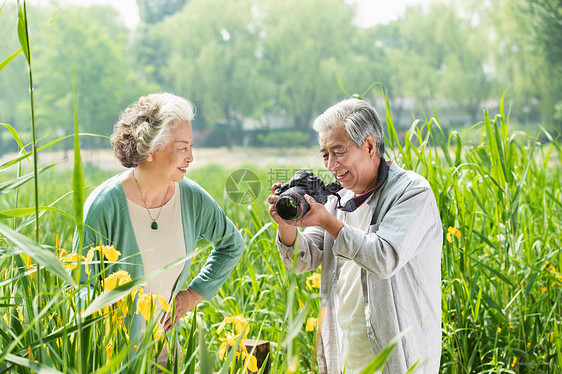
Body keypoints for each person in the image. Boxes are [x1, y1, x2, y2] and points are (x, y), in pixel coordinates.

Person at [268, 98, 442, 373]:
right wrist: (286, 224)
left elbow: (383, 258)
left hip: (397, 354)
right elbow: (303, 259)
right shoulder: (338, 197)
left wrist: (327, 221)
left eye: (338, 151)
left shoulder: (411, 192)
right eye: (325, 154)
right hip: (345, 352)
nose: (330, 164)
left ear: (370, 146)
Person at [72, 92, 244, 358]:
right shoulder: (104, 206)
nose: (191, 158)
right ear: (151, 149)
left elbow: (232, 245)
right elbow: (81, 286)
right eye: (182, 148)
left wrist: (192, 296)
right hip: (112, 356)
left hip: (166, 351)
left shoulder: (192, 197)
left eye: (191, 147)